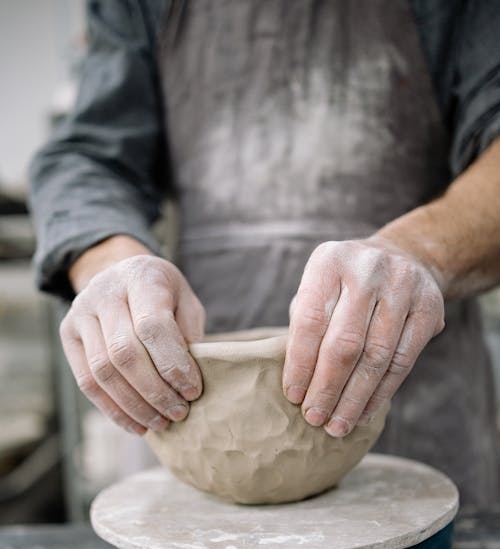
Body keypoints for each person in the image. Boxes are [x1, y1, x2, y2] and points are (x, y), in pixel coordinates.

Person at [30, 0, 500, 506]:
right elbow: (89, 157)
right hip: (190, 405)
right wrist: (109, 260)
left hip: (417, 396)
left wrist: (420, 251)